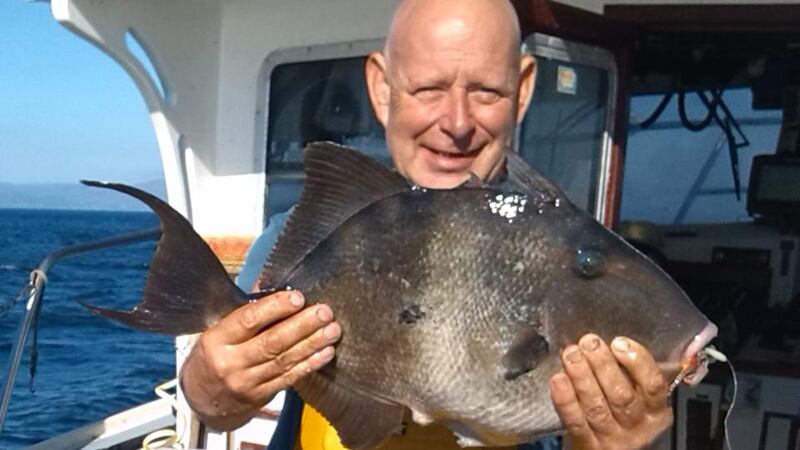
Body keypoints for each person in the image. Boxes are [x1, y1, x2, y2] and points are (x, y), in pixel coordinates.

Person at [179, 0, 674, 448]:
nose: (457, 123)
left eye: (485, 91)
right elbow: (219, 409)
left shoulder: (558, 248)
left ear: (522, 90)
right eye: (429, 88)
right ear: (382, 88)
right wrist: (209, 382)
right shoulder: (308, 239)